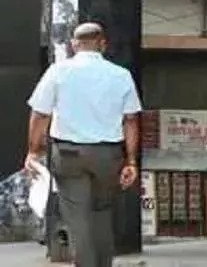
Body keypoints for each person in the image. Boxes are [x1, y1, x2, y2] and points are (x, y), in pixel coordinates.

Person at [24, 22, 142, 267]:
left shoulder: (58, 72)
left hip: (69, 154)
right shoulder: (121, 75)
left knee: (77, 216)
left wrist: (33, 151)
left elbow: (40, 114)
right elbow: (131, 120)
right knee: (102, 213)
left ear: (74, 45)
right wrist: (131, 161)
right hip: (108, 155)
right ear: (103, 45)